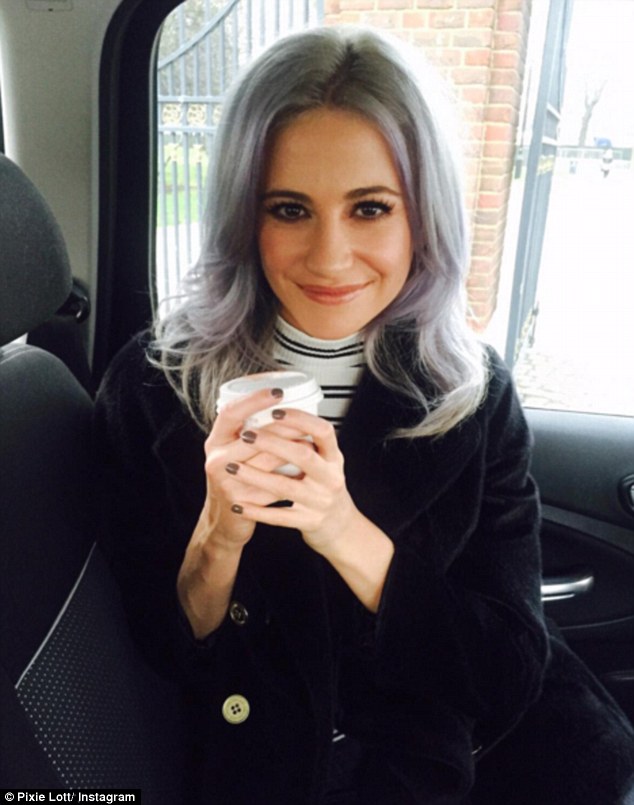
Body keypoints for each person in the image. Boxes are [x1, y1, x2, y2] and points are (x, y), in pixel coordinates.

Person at [94, 26, 634, 804]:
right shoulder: (154, 385)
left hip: (449, 766)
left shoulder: (471, 392)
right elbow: (163, 650)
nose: (330, 256)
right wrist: (220, 532)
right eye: (289, 209)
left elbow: (509, 670)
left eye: (371, 207)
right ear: (245, 216)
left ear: (422, 217)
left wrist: (344, 530)